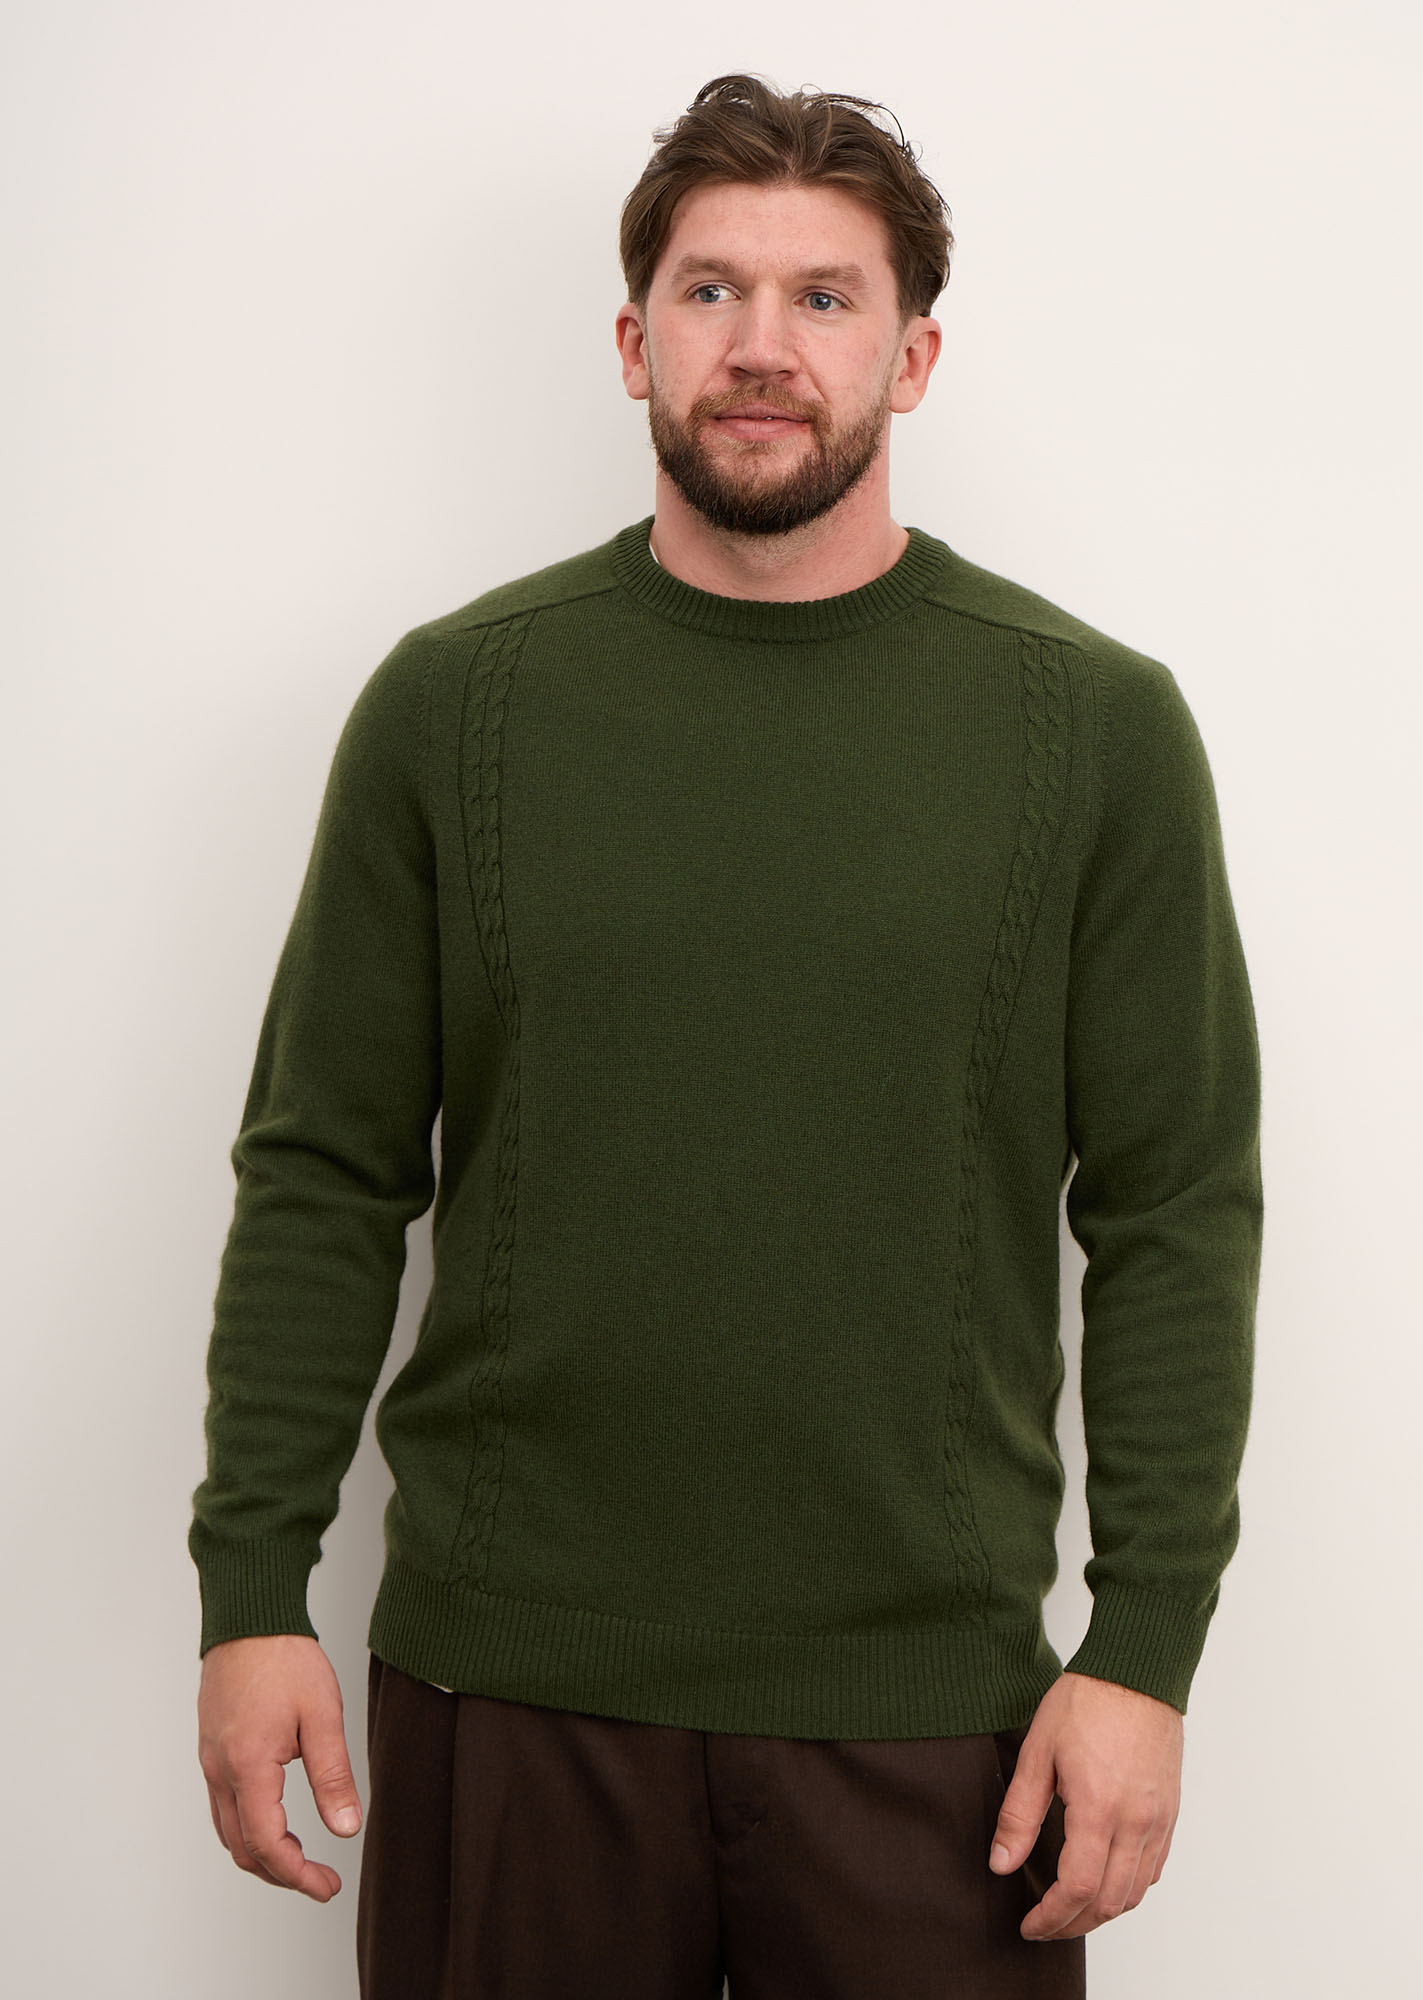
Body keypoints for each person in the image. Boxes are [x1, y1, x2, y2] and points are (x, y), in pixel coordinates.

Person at [190, 72, 1262, 2000]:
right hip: (511, 1690)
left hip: (938, 1718)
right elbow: (325, 1174)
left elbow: (1177, 1211)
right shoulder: (455, 708)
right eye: (712, 292)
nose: (764, 347)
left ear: (912, 359)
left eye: (824, 298)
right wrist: (252, 1587)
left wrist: (1145, 1651)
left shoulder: (1094, 731)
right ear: (636, 343)